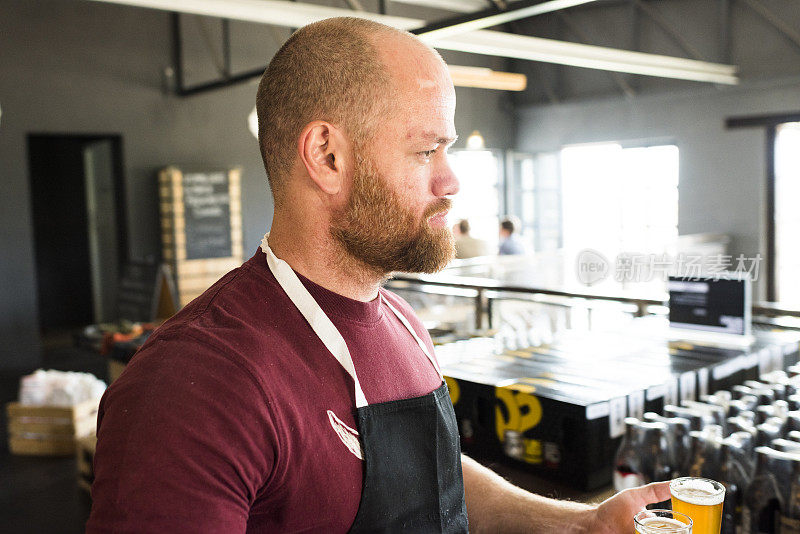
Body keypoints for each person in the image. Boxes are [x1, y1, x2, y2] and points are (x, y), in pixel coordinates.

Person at [86, 17, 667, 533]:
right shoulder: (194, 387)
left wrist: (583, 524)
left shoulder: (400, 321)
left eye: (449, 149)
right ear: (327, 156)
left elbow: (434, 479)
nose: (451, 183)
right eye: (425, 152)